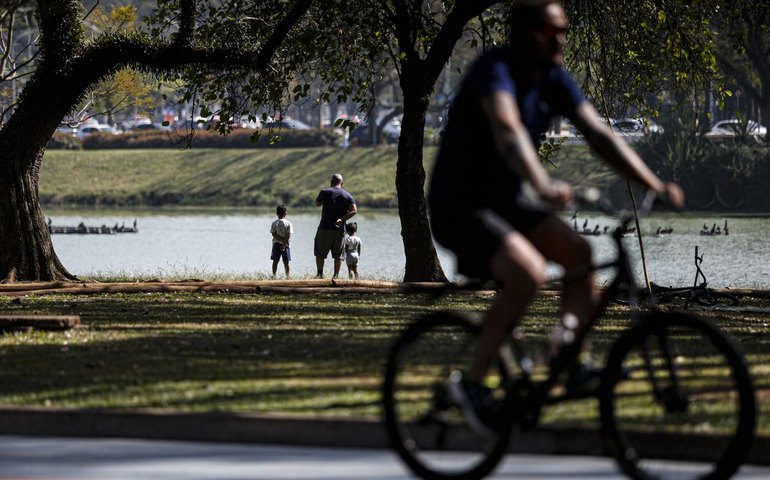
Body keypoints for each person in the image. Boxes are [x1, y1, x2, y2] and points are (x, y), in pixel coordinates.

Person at [427, 0, 684, 435]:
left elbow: (600, 134)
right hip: (461, 205)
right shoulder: (496, 70)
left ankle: (569, 355)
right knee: (527, 272)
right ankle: (470, 383)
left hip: (504, 201)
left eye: (563, 30)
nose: (561, 39)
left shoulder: (553, 77)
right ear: (526, 33)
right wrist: (543, 183)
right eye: (553, 31)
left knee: (579, 252)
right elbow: (507, 130)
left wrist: (653, 182)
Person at [314, 173, 357, 278]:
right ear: (342, 183)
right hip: (340, 229)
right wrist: (342, 219)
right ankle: (336, 275)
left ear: (331, 182)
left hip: (324, 228)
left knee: (320, 252)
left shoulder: (324, 192)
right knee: (338, 255)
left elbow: (317, 203)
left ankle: (320, 274)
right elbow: (354, 210)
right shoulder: (348, 195)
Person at [270, 204, 293, 278]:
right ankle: (287, 276)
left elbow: (274, 234)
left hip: (276, 244)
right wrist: (284, 243)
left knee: (275, 261)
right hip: (286, 245)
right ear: (286, 213)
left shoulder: (274, 223)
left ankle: (274, 276)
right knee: (286, 262)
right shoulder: (288, 223)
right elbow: (288, 235)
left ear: (276, 213)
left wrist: (281, 240)